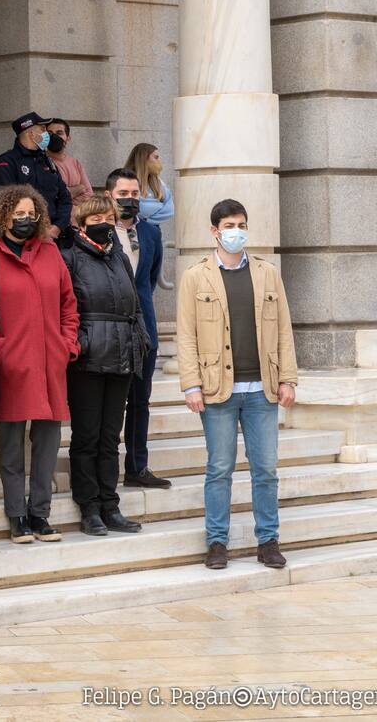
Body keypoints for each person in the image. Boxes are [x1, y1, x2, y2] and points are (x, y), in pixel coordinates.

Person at [177, 199, 297, 571]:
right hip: (217, 390)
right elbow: (186, 336)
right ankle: (217, 542)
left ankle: (269, 541)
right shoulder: (196, 276)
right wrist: (190, 385)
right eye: (229, 225)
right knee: (219, 468)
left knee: (266, 469)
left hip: (262, 388)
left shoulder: (266, 273)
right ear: (215, 231)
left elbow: (284, 330)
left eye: (241, 224)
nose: (236, 231)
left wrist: (288, 378)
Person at [0, 185, 79, 544]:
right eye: (17, 213)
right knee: (12, 446)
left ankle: (41, 513)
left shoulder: (50, 252)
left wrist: (67, 345)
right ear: (1, 215)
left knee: (48, 443)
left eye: (30, 213)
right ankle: (17, 515)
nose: (25, 219)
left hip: (51, 363)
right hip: (11, 364)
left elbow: (69, 304)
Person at [60, 195, 148, 536]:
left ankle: (110, 504)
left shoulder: (119, 258)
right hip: (88, 359)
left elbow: (135, 302)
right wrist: (80, 342)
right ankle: (89, 507)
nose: (104, 223)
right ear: (81, 224)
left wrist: (140, 337)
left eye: (108, 218)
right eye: (96, 218)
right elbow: (66, 309)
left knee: (112, 436)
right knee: (87, 436)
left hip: (122, 355)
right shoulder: (69, 259)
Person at [106, 168, 169, 489]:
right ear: (109, 196)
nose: (130, 200)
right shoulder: (99, 230)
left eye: (134, 195)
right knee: (111, 402)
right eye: (123, 195)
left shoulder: (151, 232)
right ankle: (105, 470)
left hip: (144, 325)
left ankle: (137, 466)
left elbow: (150, 276)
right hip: (111, 328)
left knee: (140, 401)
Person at [0, 111, 72, 241]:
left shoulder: (46, 160)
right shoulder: (8, 162)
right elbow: (7, 202)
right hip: (24, 236)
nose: (46, 133)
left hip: (54, 236)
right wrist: (38, 231)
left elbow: (65, 197)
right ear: (31, 134)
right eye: (42, 129)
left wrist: (57, 227)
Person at [45, 118, 93, 226]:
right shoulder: (43, 163)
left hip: (80, 224)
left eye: (59, 133)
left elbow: (89, 195)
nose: (54, 136)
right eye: (50, 133)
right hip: (57, 226)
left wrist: (68, 195)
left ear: (68, 138)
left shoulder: (75, 163)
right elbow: (53, 198)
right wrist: (79, 188)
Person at [126, 142, 174, 225]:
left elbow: (169, 210)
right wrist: (156, 207)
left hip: (152, 229)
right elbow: (129, 208)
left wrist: (146, 220)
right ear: (144, 159)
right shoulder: (126, 179)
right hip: (132, 227)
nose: (159, 161)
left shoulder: (158, 182)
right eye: (156, 157)